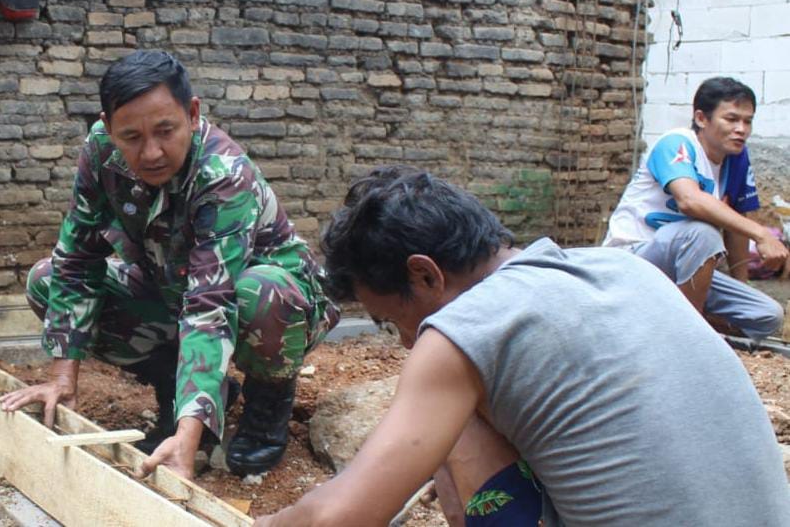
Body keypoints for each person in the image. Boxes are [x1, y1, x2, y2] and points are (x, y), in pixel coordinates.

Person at [257, 167, 790, 527]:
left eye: (392, 319)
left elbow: (339, 517)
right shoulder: (622, 267)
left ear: (424, 275)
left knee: (454, 422)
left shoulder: (465, 329)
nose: (402, 339)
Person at [0, 50, 339, 479]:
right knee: (45, 281)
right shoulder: (100, 152)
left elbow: (210, 305)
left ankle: (267, 400)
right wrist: (62, 374)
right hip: (172, 289)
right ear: (108, 127)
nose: (152, 152)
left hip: (274, 306)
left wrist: (187, 438)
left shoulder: (222, 174)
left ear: (193, 114)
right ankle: (179, 392)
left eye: (166, 130)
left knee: (258, 293)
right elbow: (77, 259)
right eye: (132, 138)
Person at [604, 76, 786, 339]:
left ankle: (674, 320)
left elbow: (736, 227)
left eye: (748, 121)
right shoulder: (676, 143)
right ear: (702, 119)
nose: (742, 129)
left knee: (767, 315)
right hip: (634, 261)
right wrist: (762, 234)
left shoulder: (736, 158)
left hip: (685, 270)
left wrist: (741, 287)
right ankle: (685, 337)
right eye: (732, 119)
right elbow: (689, 201)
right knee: (701, 232)